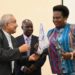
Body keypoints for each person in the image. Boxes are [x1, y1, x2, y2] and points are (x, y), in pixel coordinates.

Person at [47, 5, 75, 75]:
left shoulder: (72, 29)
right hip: (59, 72)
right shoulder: (50, 33)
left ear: (65, 17)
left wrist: (71, 55)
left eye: (58, 18)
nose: (55, 20)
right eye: (53, 18)